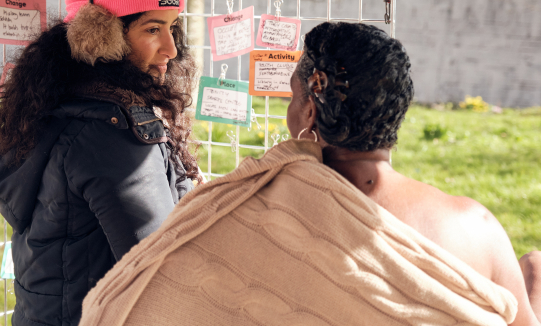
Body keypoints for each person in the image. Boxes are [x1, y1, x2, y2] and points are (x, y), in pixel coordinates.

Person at [77, 22, 533, 326]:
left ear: (309, 110)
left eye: (294, 96)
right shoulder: (478, 226)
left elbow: (143, 300)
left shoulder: (239, 215)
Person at [0, 0, 200, 326]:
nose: (171, 49)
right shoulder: (111, 135)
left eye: (172, 26)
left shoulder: (59, 105)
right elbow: (159, 272)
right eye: (153, 29)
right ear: (104, 36)